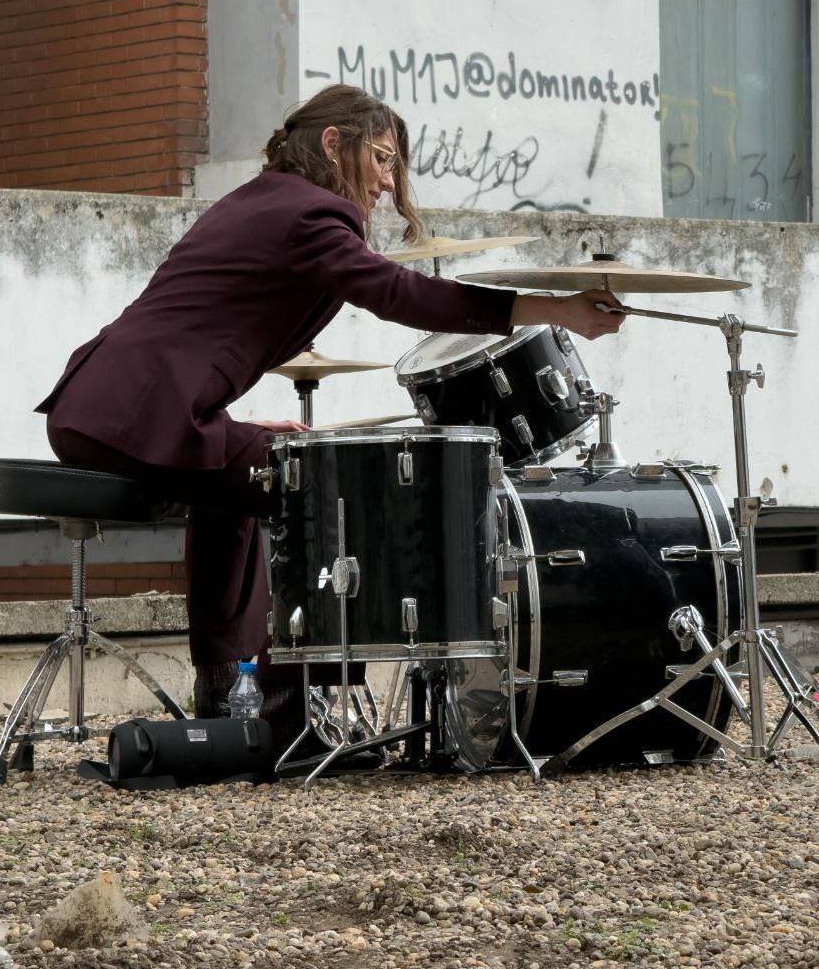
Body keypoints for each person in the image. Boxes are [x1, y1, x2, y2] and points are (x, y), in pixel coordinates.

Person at [36, 84, 624, 742]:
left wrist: (237, 428)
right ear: (333, 143)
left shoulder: (261, 200)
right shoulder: (311, 213)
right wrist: (553, 308)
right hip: (135, 417)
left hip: (102, 409)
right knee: (321, 488)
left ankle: (228, 690)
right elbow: (397, 293)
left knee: (246, 485)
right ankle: (283, 716)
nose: (388, 181)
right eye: (381, 158)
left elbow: (192, 332)